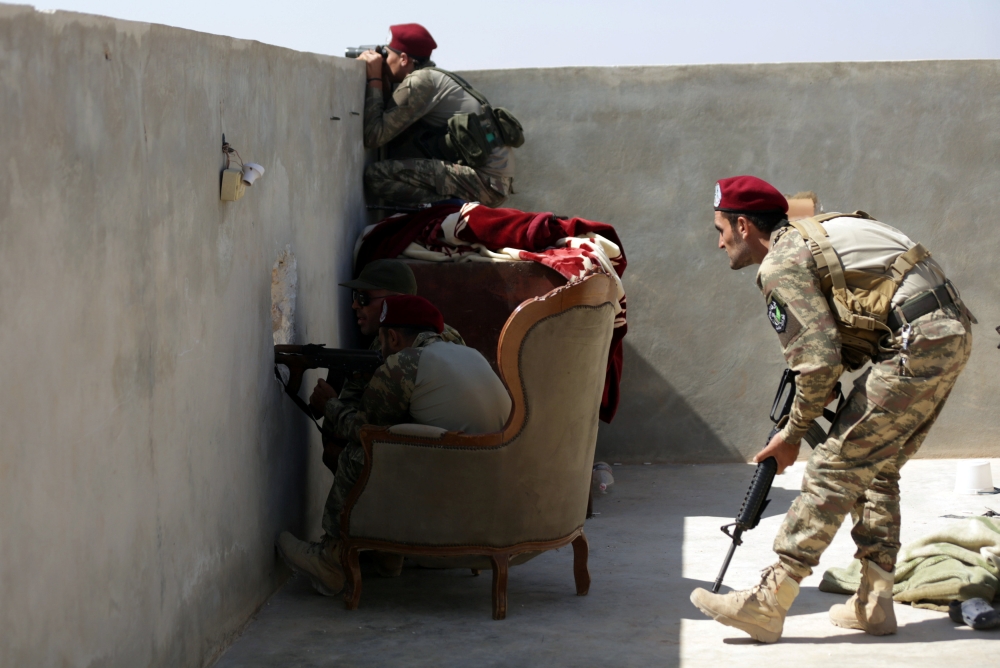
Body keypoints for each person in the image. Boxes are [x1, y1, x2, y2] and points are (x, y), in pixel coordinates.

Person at [690, 175, 974, 642]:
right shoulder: (817, 232)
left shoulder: (781, 262)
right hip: (947, 330)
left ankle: (768, 601)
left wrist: (792, 435)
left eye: (720, 230)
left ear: (743, 226)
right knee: (876, 466)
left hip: (913, 341)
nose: (719, 243)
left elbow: (819, 363)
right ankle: (874, 603)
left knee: (833, 466)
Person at [277, 294, 512, 596]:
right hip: (497, 494)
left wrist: (330, 404)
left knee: (363, 452)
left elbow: (363, 430)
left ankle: (330, 559)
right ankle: (387, 556)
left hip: (454, 497)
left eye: (382, 341)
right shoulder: (469, 354)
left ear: (392, 336)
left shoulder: (404, 363)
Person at [357, 23, 519, 207]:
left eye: (387, 54)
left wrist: (374, 78)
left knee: (377, 176)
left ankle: (450, 209)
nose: (384, 60)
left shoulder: (420, 82)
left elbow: (374, 135)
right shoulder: (435, 77)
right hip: (494, 181)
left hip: (484, 182)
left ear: (403, 59)